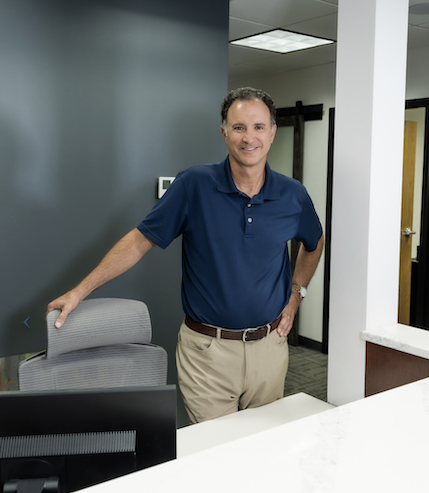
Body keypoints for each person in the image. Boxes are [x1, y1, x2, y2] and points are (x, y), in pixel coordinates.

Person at [47, 87, 324, 423]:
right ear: (224, 133)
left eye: (258, 127)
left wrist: (297, 295)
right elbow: (139, 241)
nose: (248, 137)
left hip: (270, 348)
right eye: (238, 128)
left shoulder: (293, 195)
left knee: (262, 453)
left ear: (272, 133)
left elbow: (314, 241)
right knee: (213, 458)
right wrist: (81, 291)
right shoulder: (194, 185)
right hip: (208, 353)